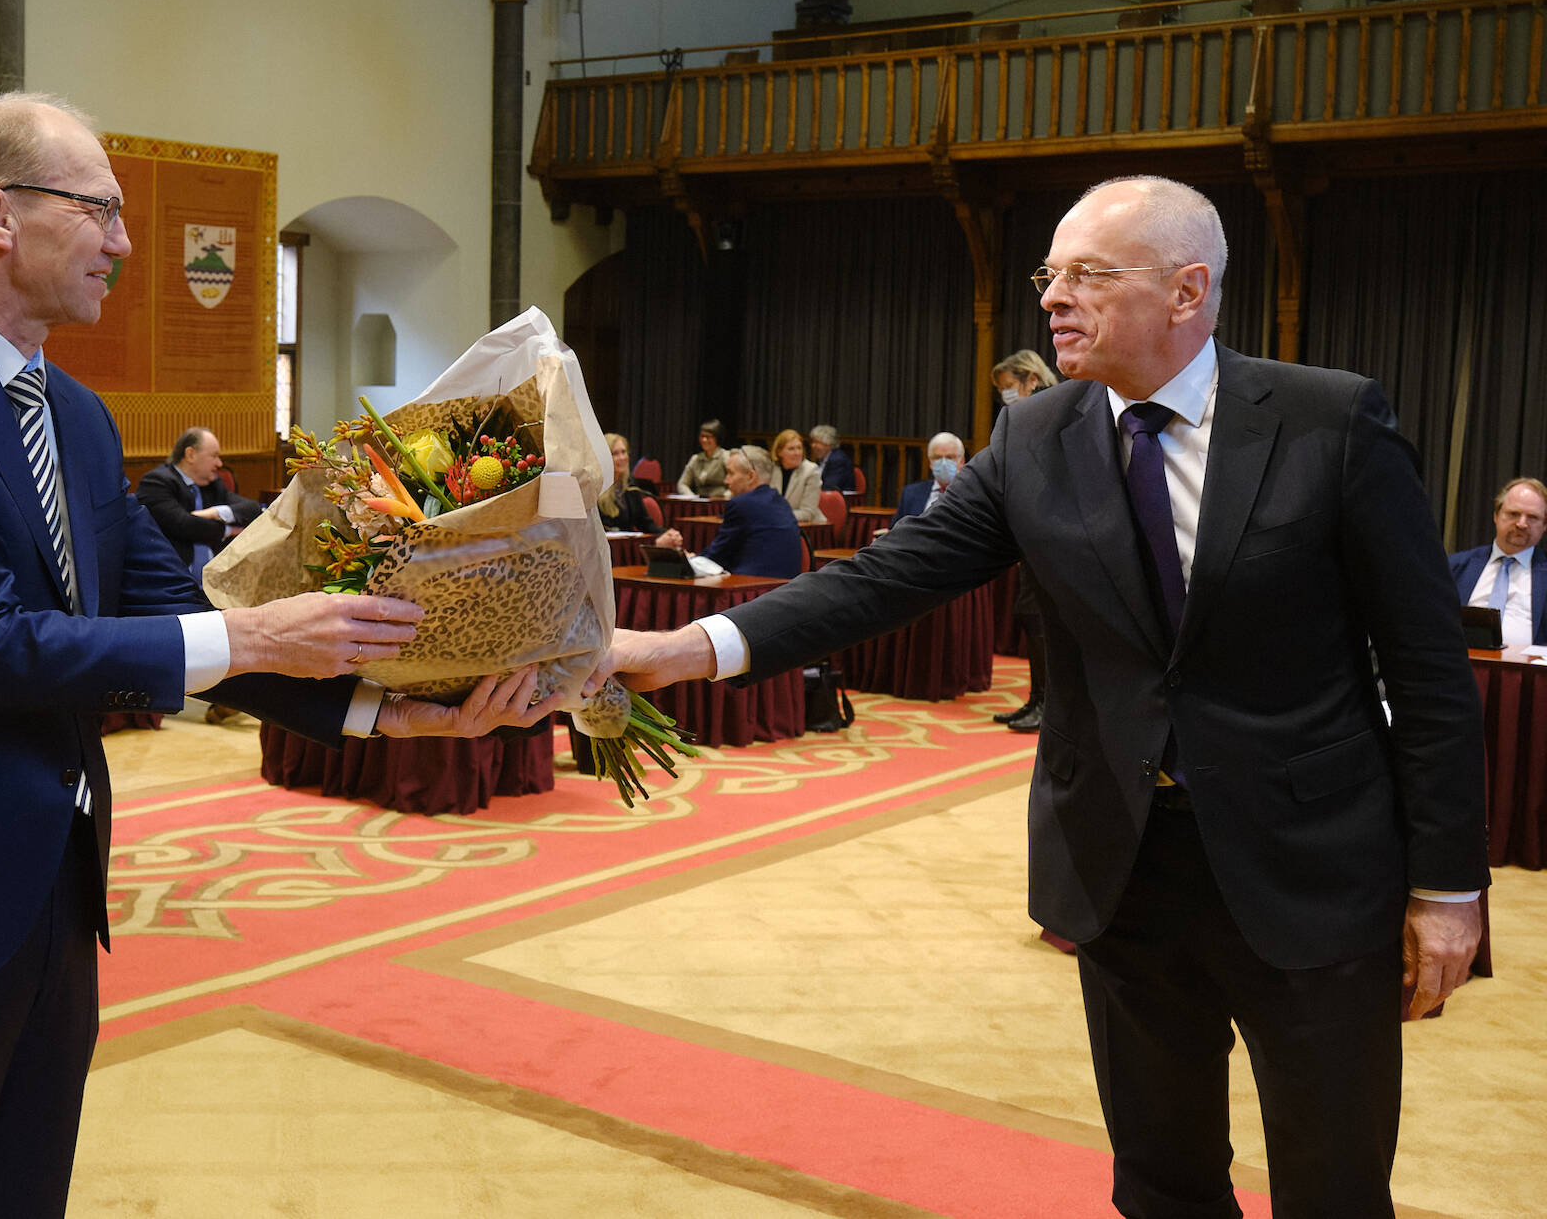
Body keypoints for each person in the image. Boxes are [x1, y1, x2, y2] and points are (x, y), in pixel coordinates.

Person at [606, 176, 1486, 1219]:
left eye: (1086, 275)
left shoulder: (1329, 420)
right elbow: (885, 578)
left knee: (1335, 1188)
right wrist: (687, 649)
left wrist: (1447, 887)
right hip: (1123, 868)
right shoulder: (1033, 436)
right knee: (1161, 1184)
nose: (1052, 298)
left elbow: (1429, 670)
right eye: (1048, 274)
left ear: (1187, 290)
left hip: (1312, 870)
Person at [0, 92, 562, 1219]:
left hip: (52, 896)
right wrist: (259, 633)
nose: (124, 242)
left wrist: (387, 705)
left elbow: (178, 605)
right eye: (99, 209)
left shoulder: (76, 413)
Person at [988, 352, 1060, 734]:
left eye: (1008, 387)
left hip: (1052, 532)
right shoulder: (1030, 415)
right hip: (1033, 530)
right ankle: (1037, 699)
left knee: (1039, 616)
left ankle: (1046, 705)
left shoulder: (1052, 411)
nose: (1005, 395)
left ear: (1031, 379)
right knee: (1031, 615)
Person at [136, 427, 260, 584]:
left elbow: (252, 508)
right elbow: (183, 525)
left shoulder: (212, 484)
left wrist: (216, 513)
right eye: (214, 456)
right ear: (190, 455)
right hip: (171, 582)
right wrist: (228, 530)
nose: (219, 463)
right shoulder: (156, 483)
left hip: (216, 582)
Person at [656, 445, 804, 577]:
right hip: (783, 588)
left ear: (751, 476)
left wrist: (686, 559)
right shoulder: (781, 502)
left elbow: (717, 556)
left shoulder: (742, 504)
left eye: (730, 473)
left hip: (752, 590)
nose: (726, 481)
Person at [1447, 475, 1547, 649]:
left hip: (1527, 665)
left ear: (1544, 525)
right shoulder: (1455, 567)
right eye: (1514, 514)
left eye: (1532, 517)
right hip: (1462, 661)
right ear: (1496, 515)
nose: (1522, 524)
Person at [889, 432, 964, 522]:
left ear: (961, 461)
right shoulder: (910, 493)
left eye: (949, 457)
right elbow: (896, 528)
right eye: (937, 458)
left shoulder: (970, 495)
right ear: (930, 462)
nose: (943, 463)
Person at [597, 431, 655, 533]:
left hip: (628, 542)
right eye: (615, 453)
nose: (622, 458)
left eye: (623, 452)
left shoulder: (630, 488)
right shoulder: (595, 490)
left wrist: (666, 534)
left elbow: (645, 523)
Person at [769, 428, 826, 524]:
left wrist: (776, 516)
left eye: (799, 448)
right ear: (779, 452)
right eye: (791, 449)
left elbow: (807, 513)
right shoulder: (772, 469)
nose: (797, 453)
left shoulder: (811, 471)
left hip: (808, 526)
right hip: (776, 523)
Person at [674, 419, 730, 498]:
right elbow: (682, 484)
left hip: (720, 502)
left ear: (717, 438)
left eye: (708, 437)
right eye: (702, 436)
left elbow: (735, 484)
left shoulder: (725, 456)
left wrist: (725, 497)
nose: (704, 440)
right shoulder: (695, 459)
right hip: (699, 501)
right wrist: (692, 497)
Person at [809, 424, 856, 494]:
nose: (813, 445)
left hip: (842, 499)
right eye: (812, 442)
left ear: (829, 443)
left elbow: (830, 487)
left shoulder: (838, 460)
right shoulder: (821, 459)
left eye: (817, 442)